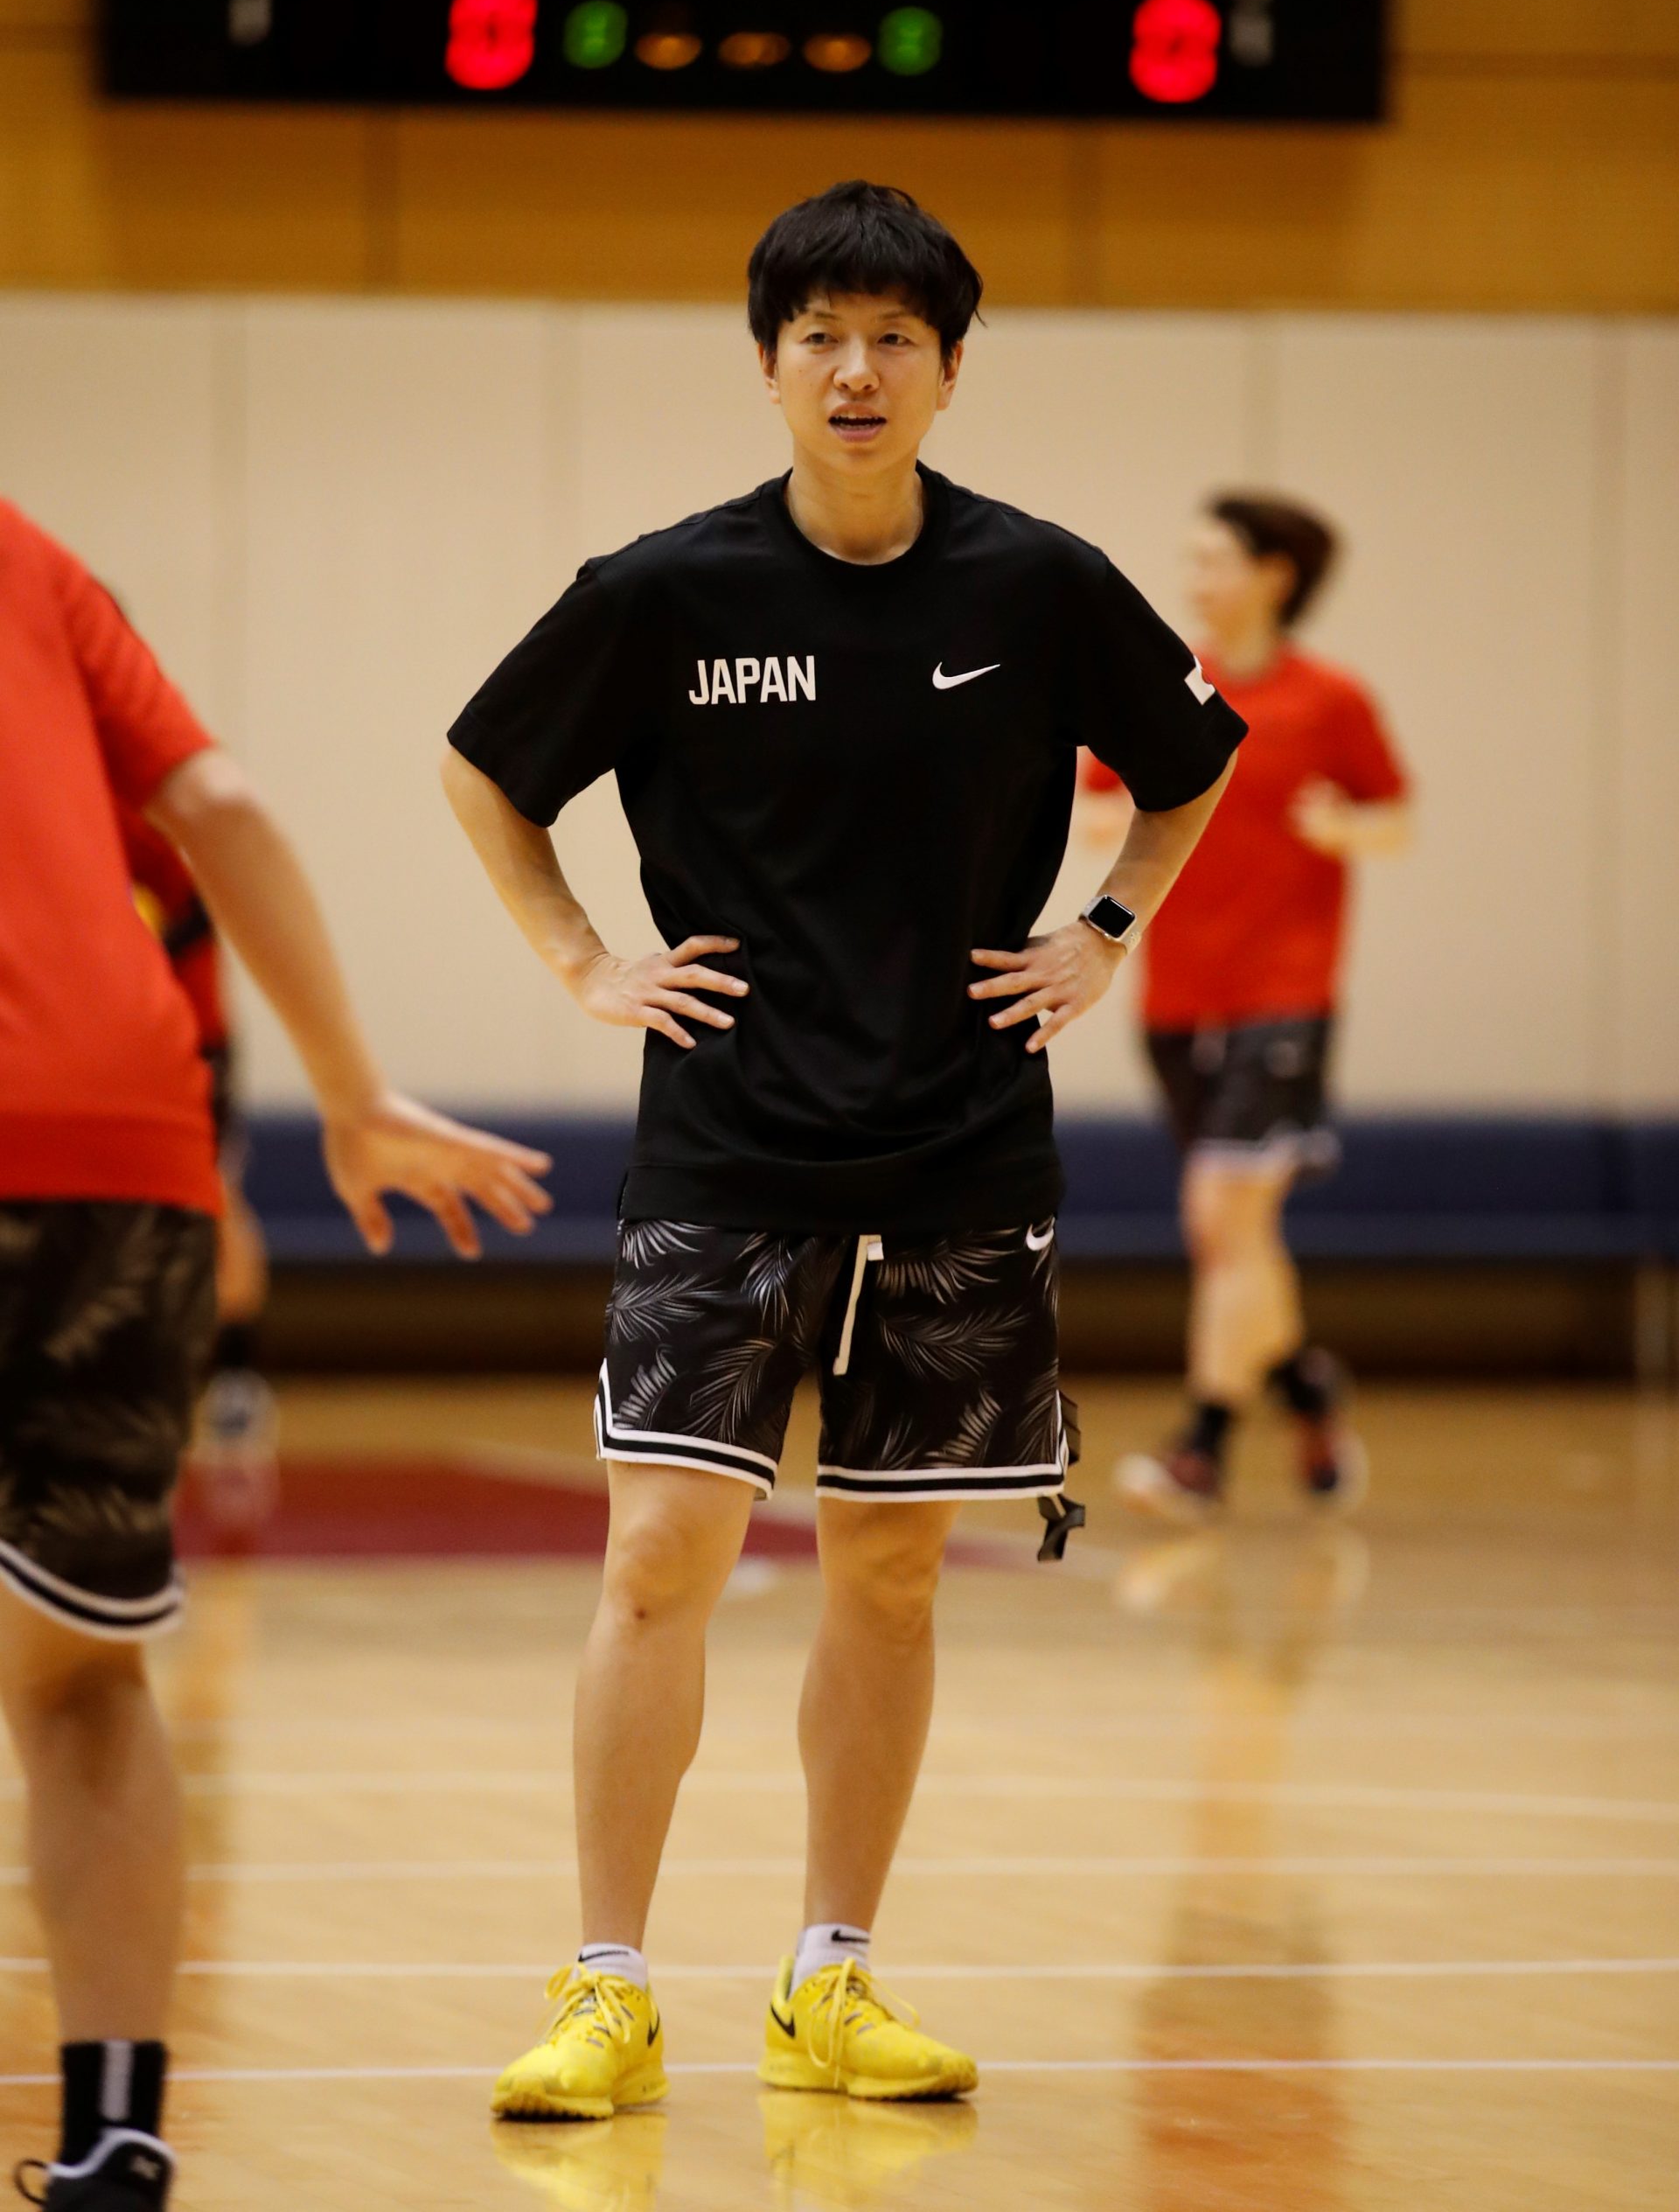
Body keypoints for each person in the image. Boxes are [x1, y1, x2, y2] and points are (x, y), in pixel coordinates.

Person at [442, 179, 1246, 2121]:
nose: (858, 370)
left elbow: (1197, 760)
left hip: (964, 1159)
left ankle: (831, 1975)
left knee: (890, 1578)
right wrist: (582, 960)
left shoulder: (1039, 584)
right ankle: (609, 1984)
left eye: (895, 338)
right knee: (659, 1556)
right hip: (724, 1154)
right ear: (770, 364)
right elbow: (485, 767)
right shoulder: (666, 592)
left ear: (951, 369)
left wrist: (1105, 929)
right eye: (822, 337)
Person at [0, 498, 554, 2211]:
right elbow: (225, 807)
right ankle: (117, 2136)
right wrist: (353, 1092)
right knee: (81, 1675)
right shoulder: (28, 555)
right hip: (120, 1149)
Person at [1082, 493, 1411, 1522]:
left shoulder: (1331, 699)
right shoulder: (1171, 684)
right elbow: (1093, 804)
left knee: (1221, 1218)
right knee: (1238, 1237)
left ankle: (1204, 1448)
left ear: (1275, 575)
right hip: (1178, 999)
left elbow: (1394, 819)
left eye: (1215, 559)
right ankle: (1306, 1385)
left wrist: (1345, 827)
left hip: (1286, 998)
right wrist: (1114, 817)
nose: (1196, 580)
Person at [122, 805, 279, 1550]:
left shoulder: (154, 852)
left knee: (218, 1208)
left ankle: (237, 1380)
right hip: (96, 1059)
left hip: (187, 1049)